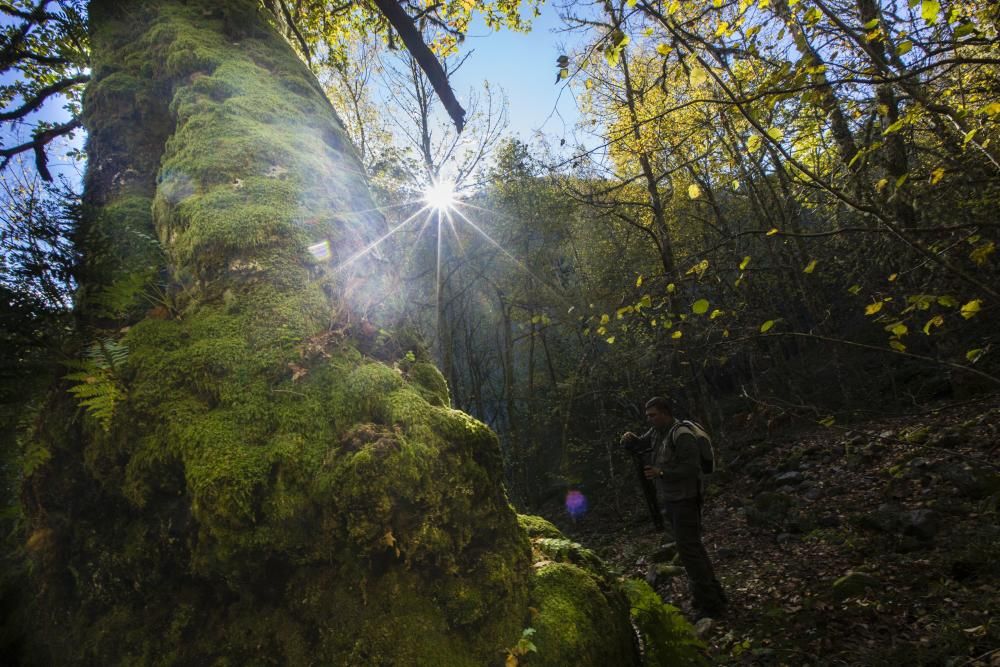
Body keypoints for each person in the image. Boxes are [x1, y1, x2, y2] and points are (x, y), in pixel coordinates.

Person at [621, 396, 727, 620]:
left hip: (686, 499)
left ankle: (710, 605)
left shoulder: (681, 434)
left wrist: (662, 473)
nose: (649, 420)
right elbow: (641, 444)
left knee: (689, 551)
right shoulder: (659, 432)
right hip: (672, 499)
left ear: (665, 413)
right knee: (693, 547)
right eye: (648, 416)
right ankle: (715, 595)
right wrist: (630, 439)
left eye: (653, 415)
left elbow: (691, 468)